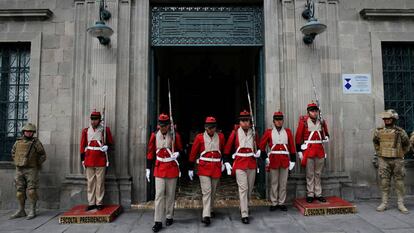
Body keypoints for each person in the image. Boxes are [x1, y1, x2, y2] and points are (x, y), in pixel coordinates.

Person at [146, 113, 183, 232]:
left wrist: (178, 154)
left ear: (169, 125)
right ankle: (158, 221)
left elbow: (181, 150)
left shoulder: (174, 136)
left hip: (171, 167)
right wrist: (148, 168)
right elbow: (150, 152)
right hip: (159, 167)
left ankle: (169, 216)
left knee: (170, 195)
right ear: (158, 125)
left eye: (165, 126)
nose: (163, 128)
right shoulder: (154, 136)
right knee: (159, 195)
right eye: (161, 126)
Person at [224, 110, 260, 224]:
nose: (245, 123)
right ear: (239, 122)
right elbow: (227, 149)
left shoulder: (254, 133)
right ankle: (244, 213)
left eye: (247, 121)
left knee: (249, 189)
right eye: (243, 121)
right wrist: (227, 162)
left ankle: (244, 206)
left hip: (251, 163)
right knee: (243, 188)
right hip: (239, 163)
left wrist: (258, 151)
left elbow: (258, 146)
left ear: (250, 122)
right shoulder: (234, 133)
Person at [188, 116, 225, 226]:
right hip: (204, 168)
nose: (211, 130)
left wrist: (224, 162)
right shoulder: (199, 137)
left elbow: (223, 150)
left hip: (216, 167)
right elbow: (193, 152)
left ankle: (210, 209)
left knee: (213, 191)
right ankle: (206, 215)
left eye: (213, 127)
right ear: (205, 127)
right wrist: (190, 167)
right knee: (207, 191)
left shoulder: (221, 137)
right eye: (209, 128)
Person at [374, 109, 410, 214]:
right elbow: (375, 142)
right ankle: (384, 203)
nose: (387, 120)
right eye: (385, 119)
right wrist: (379, 152)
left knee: (399, 182)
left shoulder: (400, 131)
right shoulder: (379, 131)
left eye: (389, 118)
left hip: (397, 159)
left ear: (393, 119)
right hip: (384, 159)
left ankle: (401, 203)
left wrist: (401, 153)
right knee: (384, 182)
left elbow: (407, 144)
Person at [259, 111, 296, 211]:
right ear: (273, 121)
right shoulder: (269, 132)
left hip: (284, 160)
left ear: (283, 121)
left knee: (283, 183)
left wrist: (293, 160)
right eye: (277, 120)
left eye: (280, 120)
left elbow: (292, 147)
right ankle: (274, 202)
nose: (279, 122)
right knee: (274, 182)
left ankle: (281, 202)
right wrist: (266, 158)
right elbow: (261, 146)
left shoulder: (288, 132)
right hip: (273, 160)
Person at [10, 123, 46, 220]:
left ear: (33, 132)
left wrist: (36, 164)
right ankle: (21, 210)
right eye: (27, 131)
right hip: (19, 169)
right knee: (19, 192)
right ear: (24, 132)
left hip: (31, 169)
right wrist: (18, 161)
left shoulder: (36, 142)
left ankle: (32, 210)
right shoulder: (18, 142)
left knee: (31, 191)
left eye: (31, 132)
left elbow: (43, 155)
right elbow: (13, 152)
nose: (29, 133)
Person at [295, 102, 329, 203]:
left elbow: (326, 135)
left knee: (318, 173)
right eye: (312, 111)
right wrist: (299, 151)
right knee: (310, 174)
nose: (314, 113)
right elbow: (298, 138)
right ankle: (310, 193)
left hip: (319, 150)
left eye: (316, 111)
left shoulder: (321, 122)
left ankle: (318, 193)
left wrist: (326, 135)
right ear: (308, 112)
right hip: (309, 150)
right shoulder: (304, 122)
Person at [80, 111, 113, 211]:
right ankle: (91, 202)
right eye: (92, 119)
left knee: (100, 182)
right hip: (89, 159)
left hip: (100, 159)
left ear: (99, 120)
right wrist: (82, 159)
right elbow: (82, 146)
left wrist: (107, 146)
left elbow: (110, 142)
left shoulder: (104, 130)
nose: (93, 121)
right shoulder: (86, 131)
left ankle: (99, 202)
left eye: (95, 119)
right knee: (90, 182)